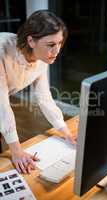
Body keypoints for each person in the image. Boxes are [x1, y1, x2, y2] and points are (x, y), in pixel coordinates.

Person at [0, 10, 76, 174]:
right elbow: (2, 106)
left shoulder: (42, 56)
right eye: (50, 45)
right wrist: (17, 151)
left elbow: (44, 98)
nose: (57, 51)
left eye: (59, 43)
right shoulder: (2, 52)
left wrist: (66, 133)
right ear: (31, 41)